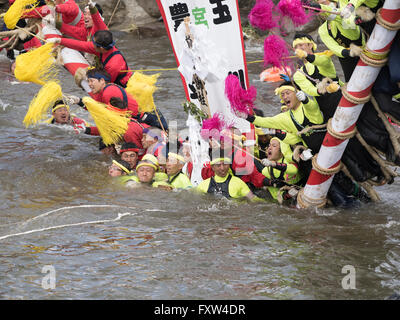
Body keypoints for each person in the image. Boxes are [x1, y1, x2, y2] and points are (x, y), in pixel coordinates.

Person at [48, 30, 132, 87]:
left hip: (125, 85)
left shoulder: (113, 64)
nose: (92, 44)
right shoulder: (104, 49)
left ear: (101, 48)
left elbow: (106, 85)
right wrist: (59, 40)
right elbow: (81, 45)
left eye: (94, 43)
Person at [292, 32, 342, 120]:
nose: (298, 49)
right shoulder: (298, 75)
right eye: (295, 47)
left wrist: (307, 56)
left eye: (301, 45)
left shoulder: (324, 58)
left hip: (341, 99)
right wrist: (325, 89)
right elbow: (309, 90)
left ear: (310, 45)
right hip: (325, 108)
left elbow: (320, 61)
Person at [196, 157, 262, 201]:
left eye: (225, 164)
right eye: (218, 165)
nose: (222, 168)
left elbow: (253, 199)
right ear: (213, 167)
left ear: (229, 165)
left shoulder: (238, 183)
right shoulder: (203, 185)